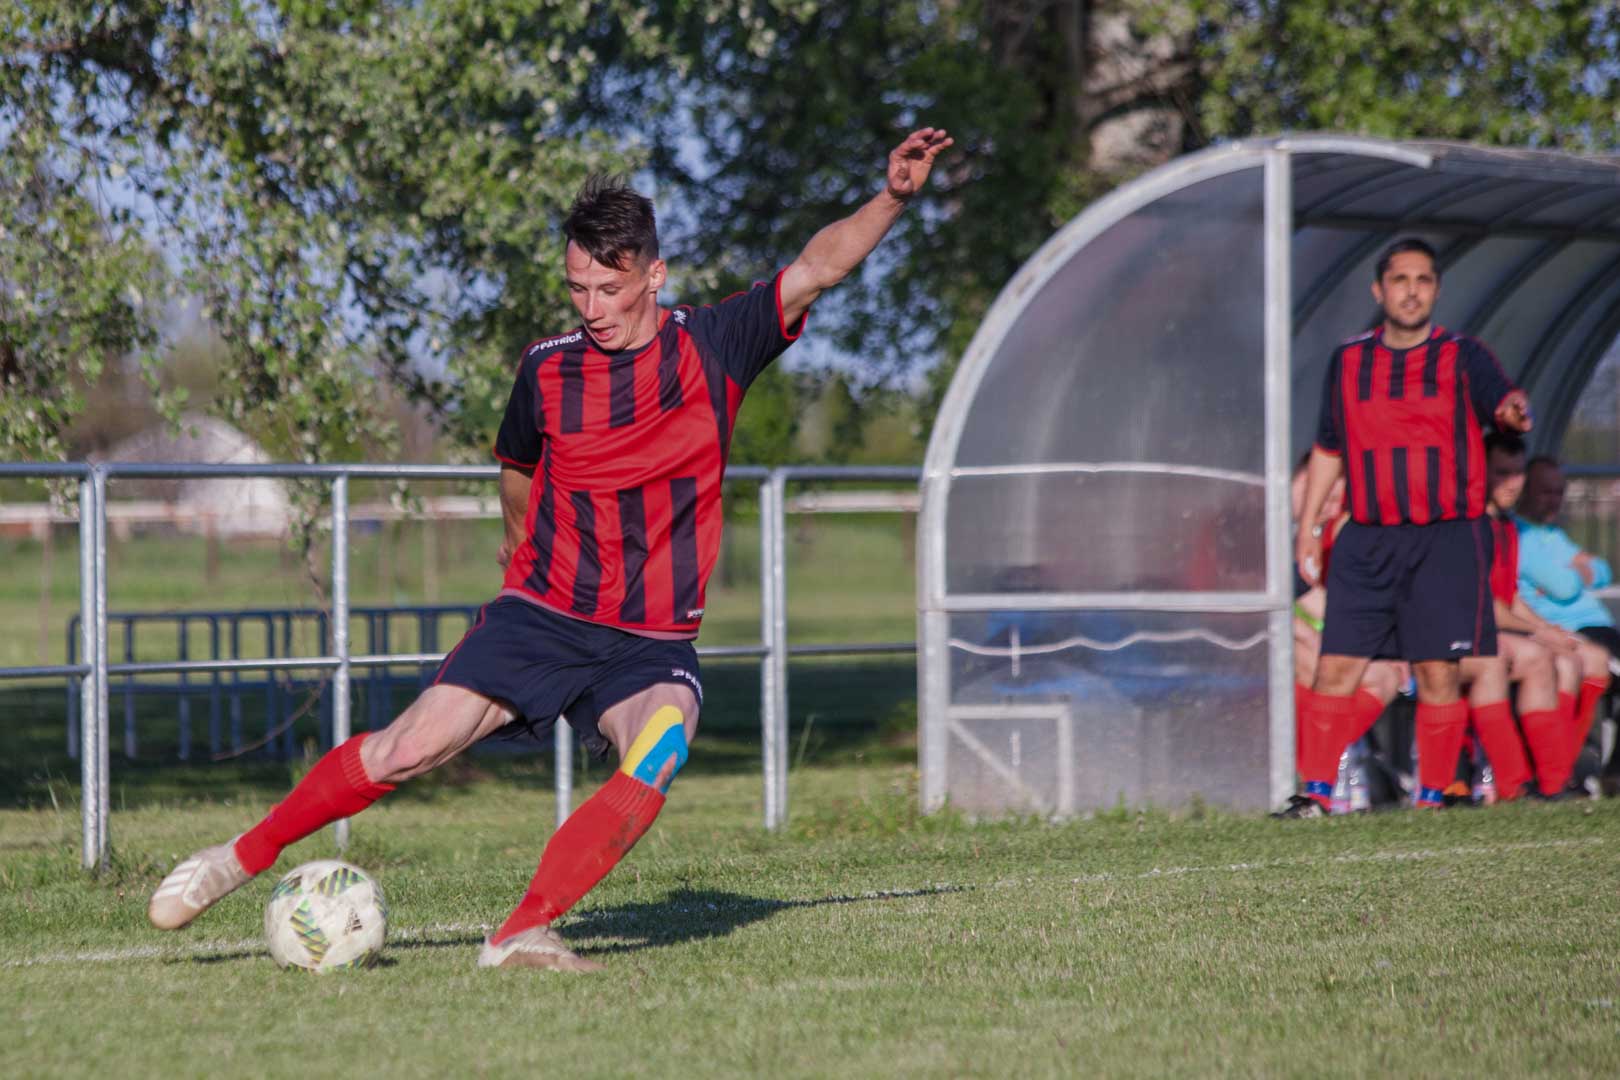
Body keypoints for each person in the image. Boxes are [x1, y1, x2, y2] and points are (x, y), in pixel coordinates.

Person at [147, 127, 955, 970]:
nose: (592, 308)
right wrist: (515, 546)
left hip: (650, 639)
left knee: (664, 745)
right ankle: (238, 857)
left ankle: (520, 932)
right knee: (407, 748)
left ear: (654, 275)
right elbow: (517, 467)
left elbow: (819, 266)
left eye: (610, 289)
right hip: (543, 613)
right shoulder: (546, 369)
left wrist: (893, 197)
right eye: (578, 289)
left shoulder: (716, 342)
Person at [1278, 236, 1533, 818]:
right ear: (1379, 290)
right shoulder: (1349, 361)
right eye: (1400, 280)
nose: (1411, 291)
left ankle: (1431, 798)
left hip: (1445, 538)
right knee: (1336, 665)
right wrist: (1309, 527)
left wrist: (1513, 409)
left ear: (1436, 290)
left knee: (1437, 670)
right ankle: (1314, 795)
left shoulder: (1463, 356)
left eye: (1423, 280)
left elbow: (1504, 403)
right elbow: (1329, 447)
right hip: (1368, 538)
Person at [1515, 453, 1617, 792]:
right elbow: (1564, 586)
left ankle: (1591, 770)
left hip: (1599, 627)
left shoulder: (1553, 534)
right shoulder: (1519, 533)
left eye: (1559, 492)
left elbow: (1604, 570)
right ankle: (1562, 771)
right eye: (1546, 491)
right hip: (1569, 628)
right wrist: (1578, 571)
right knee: (1583, 664)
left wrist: (1582, 570)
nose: (1554, 500)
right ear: (1525, 490)